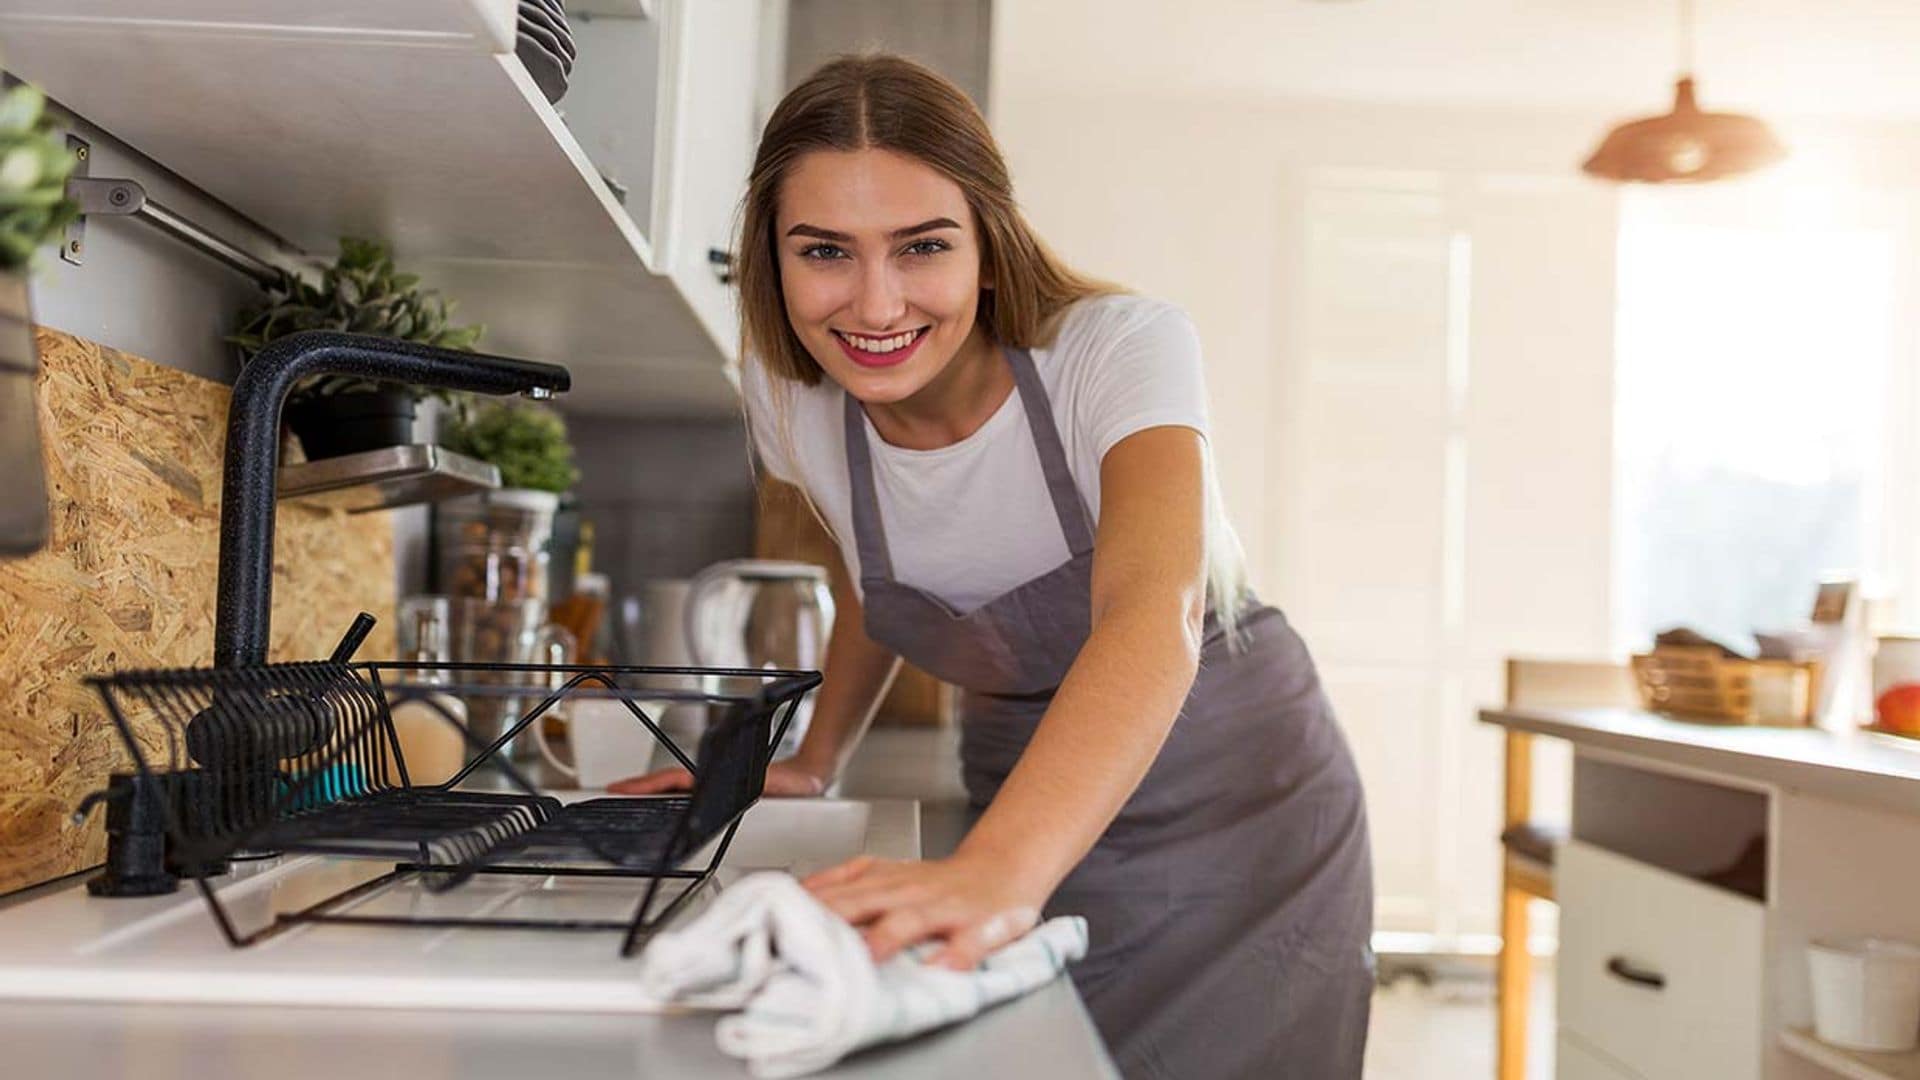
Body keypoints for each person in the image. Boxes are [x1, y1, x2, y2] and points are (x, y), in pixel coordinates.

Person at [613, 53, 1374, 1078]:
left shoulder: (1117, 350)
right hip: (1023, 779)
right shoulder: (788, 399)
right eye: (825, 251)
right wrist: (814, 756)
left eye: (921, 246)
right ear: (772, 258)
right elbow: (872, 579)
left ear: (987, 242)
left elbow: (1156, 614)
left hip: (1235, 796)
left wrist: (998, 872)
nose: (875, 305)